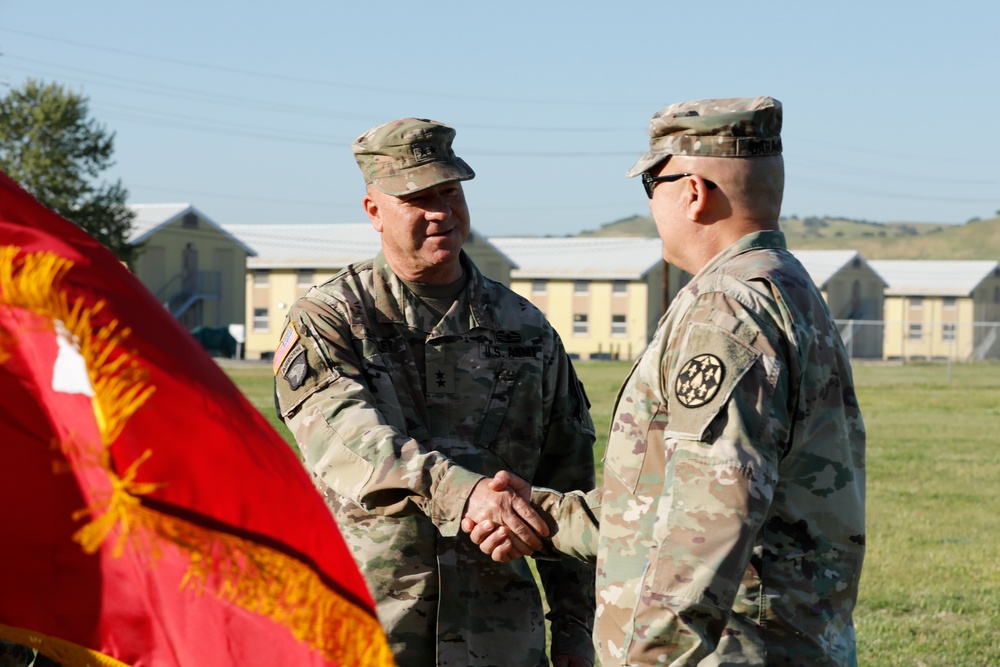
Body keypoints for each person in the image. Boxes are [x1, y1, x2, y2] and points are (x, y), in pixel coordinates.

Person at [463, 97, 867, 666]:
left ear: (693, 191)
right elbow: (665, 505)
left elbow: (708, 523)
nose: (652, 203)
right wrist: (543, 515)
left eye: (652, 182)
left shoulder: (726, 309)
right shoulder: (786, 288)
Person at [272, 118, 597, 667]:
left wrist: (573, 629)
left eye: (450, 192)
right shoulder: (330, 319)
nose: (441, 212)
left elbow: (567, 477)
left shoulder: (526, 329)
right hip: (369, 632)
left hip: (497, 640)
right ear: (374, 211)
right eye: (417, 198)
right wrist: (468, 494)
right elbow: (353, 443)